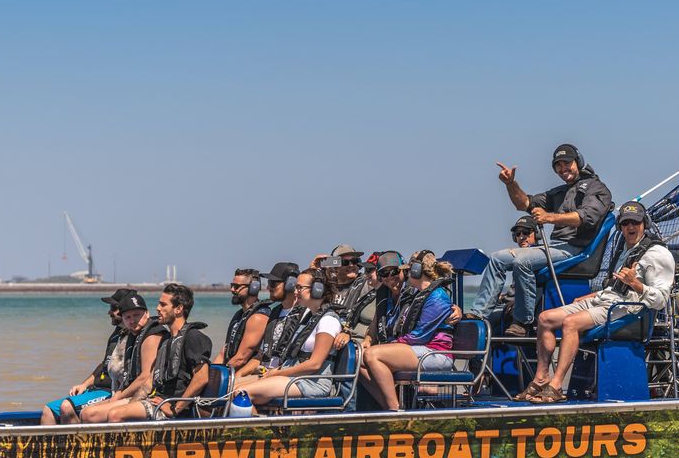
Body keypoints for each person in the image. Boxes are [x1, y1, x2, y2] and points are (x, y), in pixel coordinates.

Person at [525, 200, 674, 403]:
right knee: (545, 318)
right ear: (621, 226)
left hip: (625, 310)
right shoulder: (626, 251)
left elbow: (661, 300)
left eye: (636, 222)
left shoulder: (658, 254)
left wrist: (636, 284)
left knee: (571, 323)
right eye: (626, 222)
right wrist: (591, 296)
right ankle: (541, 379)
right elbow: (614, 288)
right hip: (604, 301)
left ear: (644, 224)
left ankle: (557, 385)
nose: (631, 227)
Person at [473, 143, 613, 336]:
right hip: (555, 247)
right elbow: (524, 203)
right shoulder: (560, 192)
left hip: (575, 249)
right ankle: (479, 316)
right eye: (558, 165)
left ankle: (522, 322)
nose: (563, 169)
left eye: (567, 163)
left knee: (523, 260)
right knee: (497, 258)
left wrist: (549, 217)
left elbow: (586, 217)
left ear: (578, 162)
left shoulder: (596, 188)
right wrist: (510, 184)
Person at [85, 283, 211, 421]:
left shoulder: (193, 337)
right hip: (156, 399)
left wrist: (176, 408)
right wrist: (130, 403)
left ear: (179, 309)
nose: (158, 308)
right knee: (95, 412)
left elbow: (202, 377)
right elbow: (149, 381)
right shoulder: (167, 339)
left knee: (115, 415)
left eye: (163, 305)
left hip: (173, 406)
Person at [41, 288, 164, 424]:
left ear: (146, 313)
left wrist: (116, 397)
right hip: (117, 390)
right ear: (123, 317)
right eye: (128, 317)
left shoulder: (150, 334)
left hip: (122, 391)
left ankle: (88, 444)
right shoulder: (125, 334)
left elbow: (144, 377)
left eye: (137, 315)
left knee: (76, 409)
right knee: (49, 409)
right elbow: (109, 365)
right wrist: (85, 384)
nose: (133, 320)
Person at [360, 251, 460, 411]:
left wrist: (389, 346)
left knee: (373, 355)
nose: (403, 275)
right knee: (360, 361)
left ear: (415, 271)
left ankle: (395, 411)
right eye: (385, 274)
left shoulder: (437, 296)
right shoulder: (416, 294)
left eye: (403, 270)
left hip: (435, 353)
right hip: (417, 349)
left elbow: (420, 336)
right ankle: (390, 406)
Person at [233, 269, 345, 408]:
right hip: (294, 377)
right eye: (295, 287)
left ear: (317, 290)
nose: (295, 291)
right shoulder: (307, 317)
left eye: (299, 287)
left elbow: (314, 364)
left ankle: (254, 429)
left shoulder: (328, 320)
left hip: (311, 382)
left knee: (241, 392)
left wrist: (276, 373)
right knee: (230, 387)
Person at [235, 261, 299, 378]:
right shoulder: (274, 313)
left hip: (282, 377)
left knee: (236, 391)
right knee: (227, 386)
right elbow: (260, 356)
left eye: (273, 283)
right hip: (265, 374)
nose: (268, 287)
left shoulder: (303, 315)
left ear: (291, 284)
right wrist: (237, 375)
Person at [217, 267, 271, 368]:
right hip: (232, 369)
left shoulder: (258, 317)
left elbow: (241, 358)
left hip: (246, 374)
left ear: (253, 288)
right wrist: (211, 371)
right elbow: (224, 352)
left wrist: (221, 374)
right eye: (232, 285)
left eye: (237, 286)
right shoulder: (240, 315)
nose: (232, 289)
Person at [492, 217, 539, 326]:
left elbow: (535, 291)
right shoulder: (518, 259)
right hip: (509, 303)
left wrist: (517, 302)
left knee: (486, 321)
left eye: (526, 232)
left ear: (537, 235)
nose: (521, 237)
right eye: (517, 234)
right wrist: (502, 297)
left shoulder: (538, 260)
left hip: (520, 308)